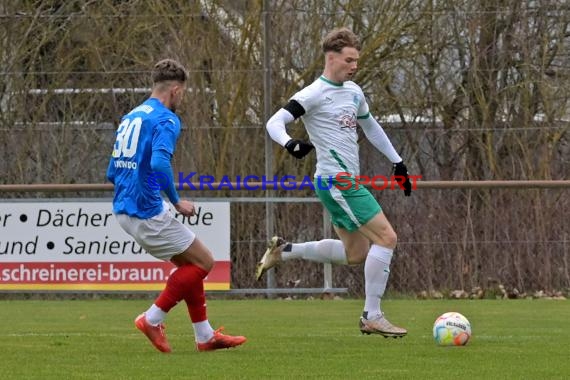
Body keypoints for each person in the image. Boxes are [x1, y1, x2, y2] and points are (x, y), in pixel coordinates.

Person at [256, 28, 412, 338]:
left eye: (356, 60)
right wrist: (290, 143)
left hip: (342, 182)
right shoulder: (314, 93)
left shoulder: (354, 91)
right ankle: (372, 315)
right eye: (349, 60)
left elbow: (371, 128)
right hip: (336, 181)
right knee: (387, 238)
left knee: (356, 253)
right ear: (331, 58)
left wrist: (397, 162)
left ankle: (286, 251)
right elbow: (274, 122)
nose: (354, 66)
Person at [106, 59, 246, 352]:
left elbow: (111, 171)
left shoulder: (132, 116)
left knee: (189, 266)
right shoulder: (166, 119)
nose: (182, 98)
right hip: (146, 210)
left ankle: (205, 337)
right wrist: (175, 200)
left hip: (123, 208)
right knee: (205, 262)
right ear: (176, 90)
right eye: (183, 93)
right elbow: (159, 162)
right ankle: (152, 318)